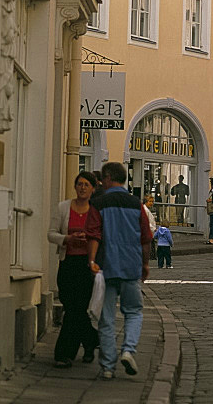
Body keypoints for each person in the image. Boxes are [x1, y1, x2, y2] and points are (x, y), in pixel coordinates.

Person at [86, 162, 152, 380]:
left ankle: (107, 366)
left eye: (102, 179)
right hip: (131, 265)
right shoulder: (136, 204)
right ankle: (128, 350)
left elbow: (94, 234)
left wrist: (92, 260)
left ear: (107, 177)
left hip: (106, 266)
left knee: (106, 318)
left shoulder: (98, 203)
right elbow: (145, 238)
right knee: (133, 312)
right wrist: (145, 264)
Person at [48, 170, 100, 368]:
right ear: (75, 186)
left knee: (76, 310)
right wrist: (67, 239)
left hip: (86, 266)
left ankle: (63, 354)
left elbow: (100, 236)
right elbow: (50, 234)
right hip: (67, 263)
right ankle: (91, 340)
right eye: (80, 184)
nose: (83, 188)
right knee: (71, 307)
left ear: (93, 189)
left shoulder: (95, 212)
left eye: (87, 184)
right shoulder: (63, 208)